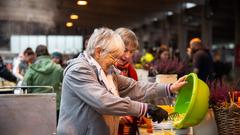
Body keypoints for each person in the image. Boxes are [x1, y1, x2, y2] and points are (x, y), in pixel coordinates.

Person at [57, 28, 187, 135]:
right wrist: (145, 108)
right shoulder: (79, 70)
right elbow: (104, 102)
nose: (116, 62)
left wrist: (169, 88)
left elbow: (134, 87)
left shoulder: (107, 71)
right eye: (113, 57)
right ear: (98, 52)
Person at [23, 45, 63, 122]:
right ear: (48, 53)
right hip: (55, 105)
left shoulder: (31, 69)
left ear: (36, 54)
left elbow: (25, 86)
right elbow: (67, 84)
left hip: (36, 106)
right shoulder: (58, 68)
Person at [115, 28, 140, 134]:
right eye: (125, 50)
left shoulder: (131, 71)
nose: (127, 56)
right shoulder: (104, 68)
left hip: (125, 128)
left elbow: (136, 96)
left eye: (131, 52)